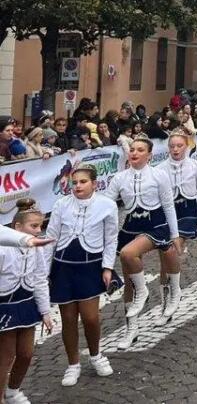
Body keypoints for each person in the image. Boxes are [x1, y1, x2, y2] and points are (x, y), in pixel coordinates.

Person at [104, 135, 180, 350]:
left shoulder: (159, 175)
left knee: (128, 254)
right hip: (130, 226)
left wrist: (174, 236)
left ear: (149, 155)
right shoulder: (119, 178)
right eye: (132, 150)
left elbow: (168, 206)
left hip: (154, 225)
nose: (134, 153)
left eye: (139, 150)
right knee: (128, 280)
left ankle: (148, 291)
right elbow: (107, 203)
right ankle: (132, 329)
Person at [45, 166, 116, 388]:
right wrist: (45, 272)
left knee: (90, 317)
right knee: (67, 318)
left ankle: (96, 355)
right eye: (75, 182)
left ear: (94, 183)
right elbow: (51, 238)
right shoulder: (61, 205)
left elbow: (111, 239)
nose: (78, 186)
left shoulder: (107, 205)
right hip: (64, 267)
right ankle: (73, 363)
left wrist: (107, 267)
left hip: (90, 266)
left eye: (83, 182)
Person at [0, 201, 51, 404]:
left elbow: (40, 278)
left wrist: (45, 311)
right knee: (5, 357)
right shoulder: (4, 248)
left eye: (40, 226)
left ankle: (13, 391)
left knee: (26, 354)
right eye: (33, 226)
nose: (38, 230)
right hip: (5, 305)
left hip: (27, 303)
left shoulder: (37, 247)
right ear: (17, 228)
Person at [158, 129, 197, 280]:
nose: (175, 149)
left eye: (179, 146)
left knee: (172, 249)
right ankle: (166, 290)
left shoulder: (196, 165)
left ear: (187, 146)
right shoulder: (160, 169)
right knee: (164, 256)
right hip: (168, 213)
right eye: (172, 146)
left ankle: (175, 287)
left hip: (189, 212)